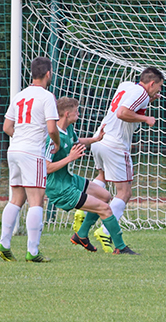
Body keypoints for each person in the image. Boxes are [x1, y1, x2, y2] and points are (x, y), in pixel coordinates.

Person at [84, 67, 164, 252]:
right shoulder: (142, 93)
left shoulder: (126, 86)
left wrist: (148, 102)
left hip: (99, 139)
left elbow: (125, 107)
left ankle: (82, 224)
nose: (158, 92)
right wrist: (145, 118)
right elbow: (122, 113)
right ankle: (105, 230)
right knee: (124, 193)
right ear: (151, 83)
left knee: (101, 179)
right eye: (158, 88)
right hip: (115, 145)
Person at [45, 97, 138, 255]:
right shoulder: (51, 138)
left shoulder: (68, 130)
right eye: (76, 111)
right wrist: (70, 158)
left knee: (105, 196)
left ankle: (81, 235)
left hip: (69, 179)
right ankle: (121, 247)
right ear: (67, 114)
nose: (79, 114)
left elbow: (76, 141)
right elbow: (45, 168)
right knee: (106, 209)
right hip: (59, 188)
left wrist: (95, 139)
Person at [0, 56, 60, 263]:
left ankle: (4, 245)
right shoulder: (47, 96)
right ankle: (33, 251)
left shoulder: (20, 96)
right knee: (36, 200)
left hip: (14, 150)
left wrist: (21, 138)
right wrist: (56, 143)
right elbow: (51, 128)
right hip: (32, 152)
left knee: (16, 198)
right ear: (48, 73)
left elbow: (7, 128)